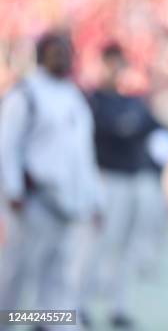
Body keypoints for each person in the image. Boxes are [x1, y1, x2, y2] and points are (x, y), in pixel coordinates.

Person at [0, 32, 102, 331]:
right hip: (33, 200)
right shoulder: (25, 93)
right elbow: (7, 145)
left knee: (60, 273)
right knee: (18, 271)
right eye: (55, 51)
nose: (62, 56)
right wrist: (14, 190)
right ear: (41, 55)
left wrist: (95, 198)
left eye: (67, 51)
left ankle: (50, 323)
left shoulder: (75, 96)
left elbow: (85, 154)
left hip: (69, 203)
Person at [80, 43, 160, 329]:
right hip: (105, 178)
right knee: (98, 243)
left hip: (132, 179)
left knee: (126, 245)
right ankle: (82, 304)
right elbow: (105, 131)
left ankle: (119, 305)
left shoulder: (133, 100)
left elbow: (157, 128)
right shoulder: (94, 100)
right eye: (110, 63)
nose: (115, 70)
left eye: (118, 63)